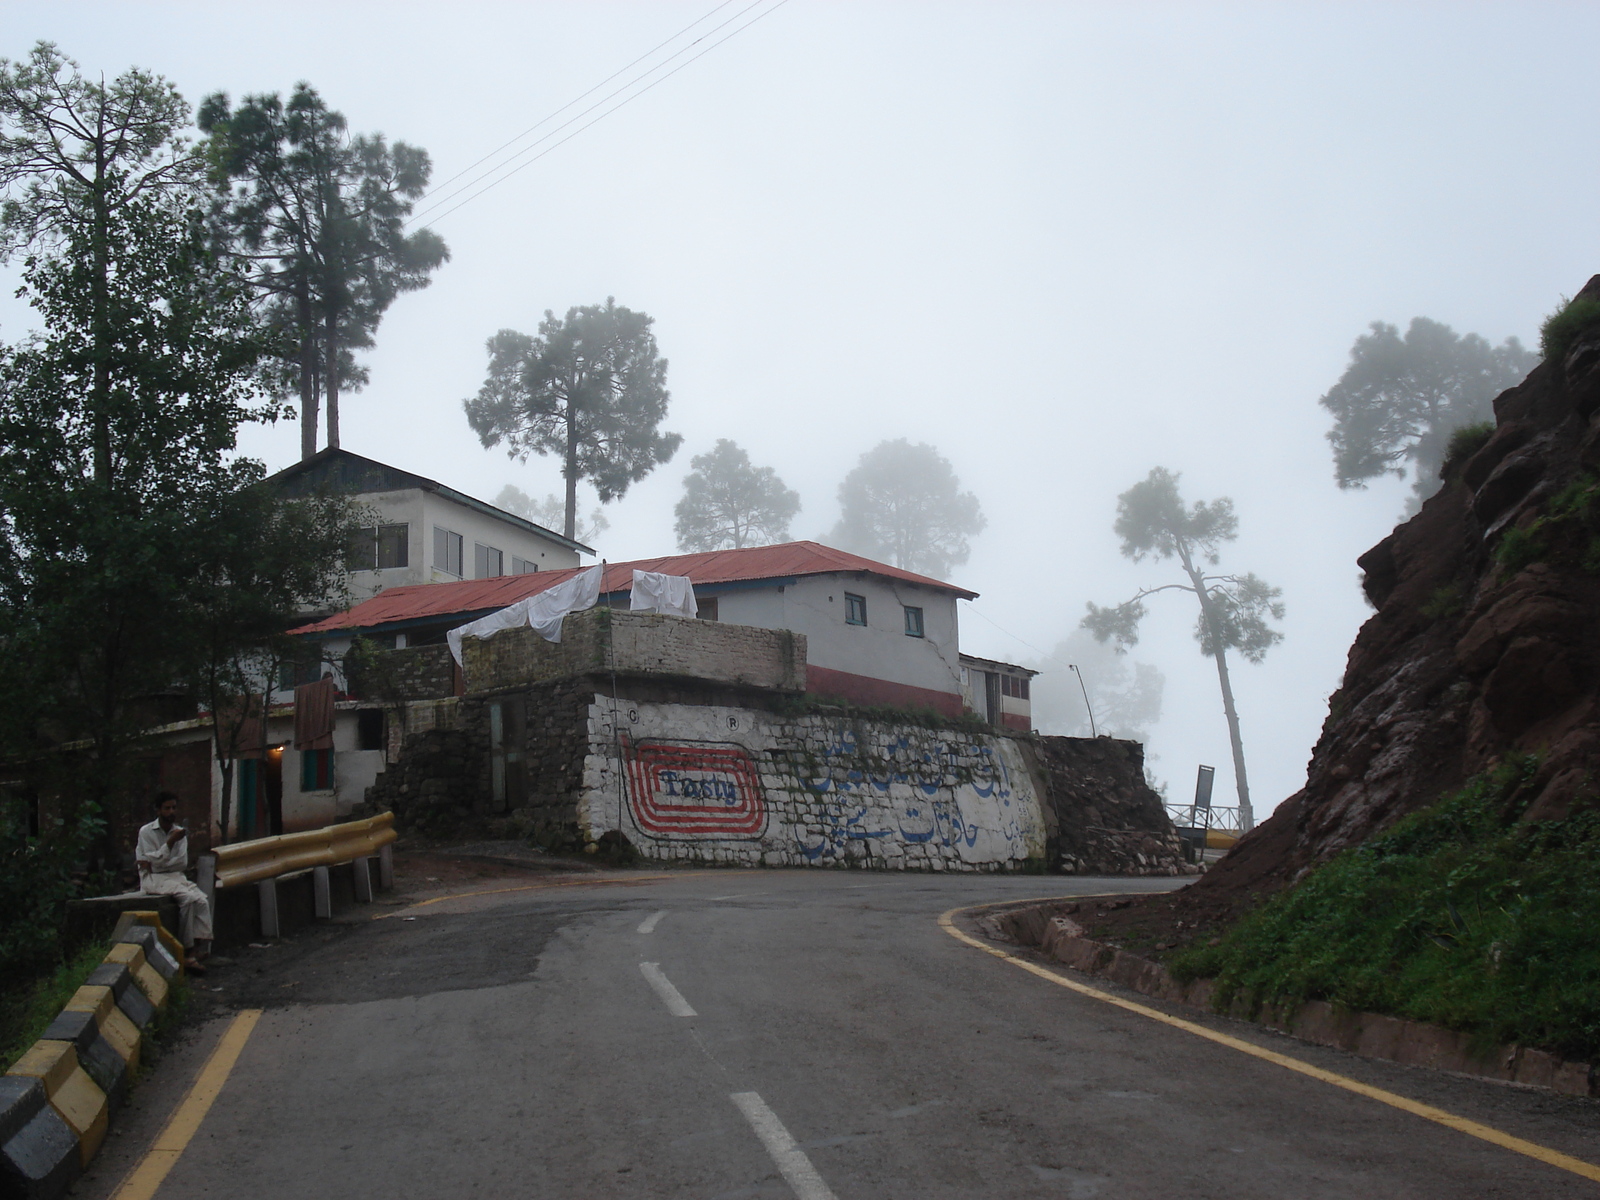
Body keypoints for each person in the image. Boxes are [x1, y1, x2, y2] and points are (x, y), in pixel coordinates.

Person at [136, 791, 212, 973]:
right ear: (158, 810)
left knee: (201, 899)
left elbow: (181, 862)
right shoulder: (146, 832)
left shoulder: (179, 833)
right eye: (167, 808)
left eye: (174, 808)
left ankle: (196, 947)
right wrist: (169, 844)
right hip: (153, 879)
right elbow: (146, 862)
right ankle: (186, 951)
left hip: (174, 876)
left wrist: (156, 861)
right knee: (186, 899)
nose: (171, 812)